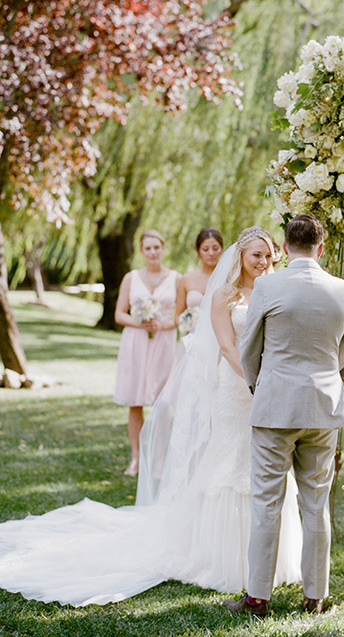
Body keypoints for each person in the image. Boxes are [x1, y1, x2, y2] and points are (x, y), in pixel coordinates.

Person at [0, 227, 302, 606]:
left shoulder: (275, 291)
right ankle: (221, 556)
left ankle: (270, 560)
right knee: (231, 459)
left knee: (266, 463)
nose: (263, 261)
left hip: (270, 388)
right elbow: (226, 346)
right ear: (240, 256)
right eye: (255, 254)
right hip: (237, 386)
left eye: (268, 254)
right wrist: (255, 382)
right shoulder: (224, 294)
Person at [225, 214, 344, 616]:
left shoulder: (267, 285)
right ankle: (315, 595)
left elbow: (249, 347)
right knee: (316, 504)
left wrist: (258, 386)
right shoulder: (343, 289)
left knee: (267, 502)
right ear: (321, 247)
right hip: (323, 407)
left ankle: (258, 597)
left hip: (276, 405)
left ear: (284, 247)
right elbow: (343, 354)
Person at [114, 229, 180, 476]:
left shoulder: (176, 278)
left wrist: (162, 324)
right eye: (148, 248)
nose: (153, 252)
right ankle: (136, 458)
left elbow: (180, 315)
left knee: (162, 403)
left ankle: (159, 460)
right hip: (136, 343)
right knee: (136, 401)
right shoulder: (131, 278)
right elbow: (119, 314)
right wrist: (139, 322)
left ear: (163, 248)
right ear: (142, 251)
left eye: (157, 247)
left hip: (163, 343)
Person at [175, 227, 224, 332]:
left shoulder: (229, 278)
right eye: (205, 249)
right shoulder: (187, 279)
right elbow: (177, 316)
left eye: (215, 248)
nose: (211, 253)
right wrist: (188, 324)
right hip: (191, 339)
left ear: (222, 250)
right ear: (198, 251)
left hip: (218, 339)